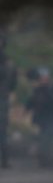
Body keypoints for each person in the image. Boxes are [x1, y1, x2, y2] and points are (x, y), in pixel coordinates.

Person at [25, 67, 53, 166]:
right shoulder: (37, 90)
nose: (42, 80)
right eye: (41, 78)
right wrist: (27, 110)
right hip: (43, 118)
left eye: (44, 77)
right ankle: (45, 158)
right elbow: (31, 102)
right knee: (44, 138)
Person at [0, 32, 19, 168]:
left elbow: (13, 82)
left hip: (2, 99)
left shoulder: (8, 62)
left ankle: (5, 160)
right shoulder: (8, 62)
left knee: (2, 130)